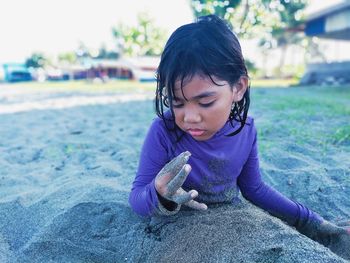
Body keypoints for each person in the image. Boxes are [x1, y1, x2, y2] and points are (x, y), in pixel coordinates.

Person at [129, 15, 349, 259]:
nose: (189, 117)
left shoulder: (245, 129)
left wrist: (310, 220)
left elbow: (254, 188)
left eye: (205, 102)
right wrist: (158, 194)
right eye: (177, 102)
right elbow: (137, 197)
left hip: (234, 216)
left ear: (238, 88)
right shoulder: (163, 131)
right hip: (177, 229)